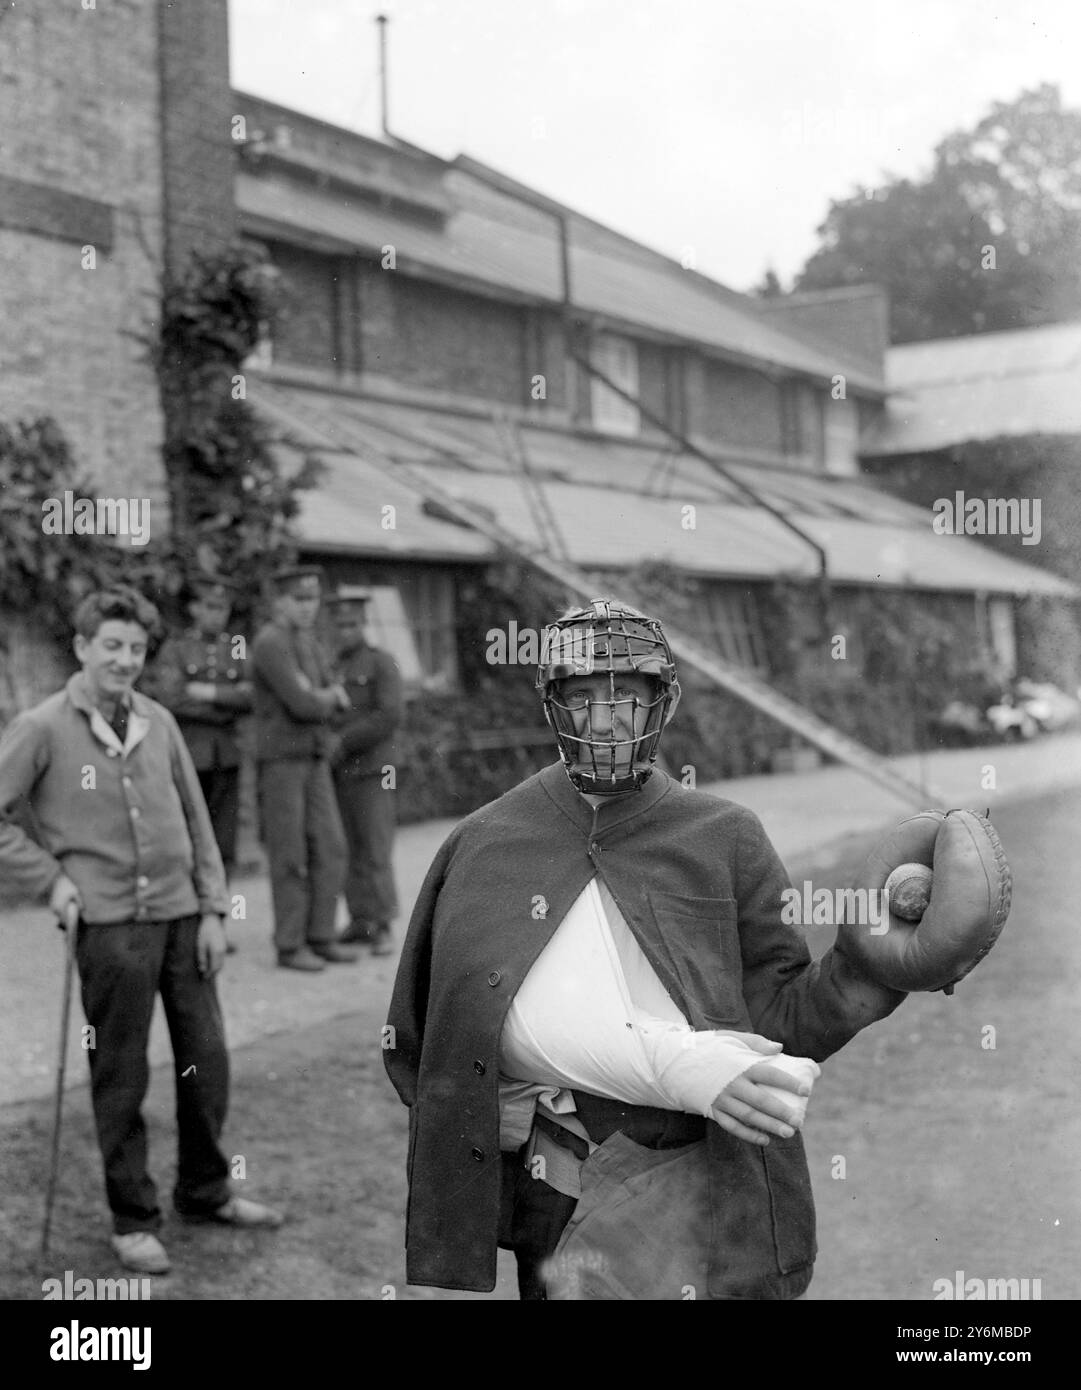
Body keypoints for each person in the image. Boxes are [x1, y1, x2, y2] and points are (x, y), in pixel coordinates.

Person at [384, 597, 1010, 1300]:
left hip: (695, 1183)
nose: (603, 719)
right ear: (551, 706)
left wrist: (866, 975)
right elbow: (419, 1032)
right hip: (554, 1189)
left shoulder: (723, 836)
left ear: (666, 703)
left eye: (626, 698)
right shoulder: (485, 842)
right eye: (582, 697)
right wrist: (494, 1097)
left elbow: (772, 1022)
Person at [0, 585, 282, 1276]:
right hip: (108, 928)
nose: (124, 660)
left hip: (183, 919)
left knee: (205, 1062)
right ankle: (133, 1220)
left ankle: (205, 1190)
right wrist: (53, 882)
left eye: (134, 648)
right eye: (112, 646)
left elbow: (197, 821)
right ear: (82, 647)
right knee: (121, 1076)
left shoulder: (159, 721)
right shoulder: (41, 727)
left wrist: (215, 910)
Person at [251, 565, 356, 972]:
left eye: (313, 598)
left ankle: (321, 935)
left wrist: (323, 695)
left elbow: (326, 694)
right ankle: (289, 944)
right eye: (299, 599)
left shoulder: (307, 641)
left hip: (312, 759)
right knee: (290, 852)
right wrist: (327, 696)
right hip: (281, 762)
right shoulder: (270, 643)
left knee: (330, 847)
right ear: (279, 601)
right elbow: (304, 703)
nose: (308, 606)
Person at [143, 575, 253, 950]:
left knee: (224, 844)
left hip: (227, 758)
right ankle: (187, 923)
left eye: (222, 608)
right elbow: (170, 698)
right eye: (209, 606)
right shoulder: (176, 648)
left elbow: (252, 695)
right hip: (189, 758)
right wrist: (226, 702)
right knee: (187, 840)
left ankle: (217, 923)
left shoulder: (236, 646)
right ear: (194, 609)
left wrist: (205, 692)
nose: (216, 615)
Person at [326, 587, 403, 957]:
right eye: (340, 625)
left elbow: (389, 716)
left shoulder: (382, 662)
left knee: (375, 847)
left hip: (374, 769)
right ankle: (361, 921)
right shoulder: (331, 667)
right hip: (341, 772)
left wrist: (342, 742)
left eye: (353, 624)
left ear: (364, 624)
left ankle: (384, 923)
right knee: (347, 847)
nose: (346, 631)